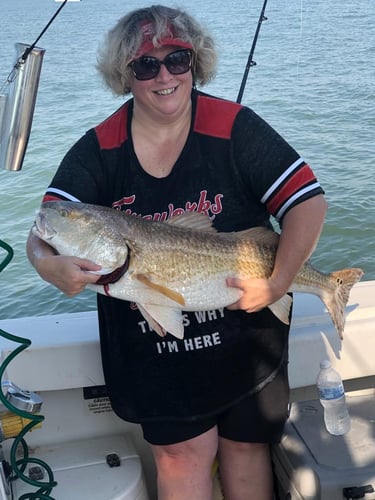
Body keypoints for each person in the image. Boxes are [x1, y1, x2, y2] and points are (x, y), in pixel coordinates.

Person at [27, 5, 327, 500]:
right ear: (124, 75)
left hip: (247, 338)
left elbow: (307, 203)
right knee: (180, 456)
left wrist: (277, 283)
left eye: (177, 60)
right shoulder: (99, 146)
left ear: (195, 63)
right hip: (153, 354)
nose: (164, 75)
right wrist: (45, 263)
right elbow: (49, 220)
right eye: (146, 64)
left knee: (246, 450)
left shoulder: (234, 126)